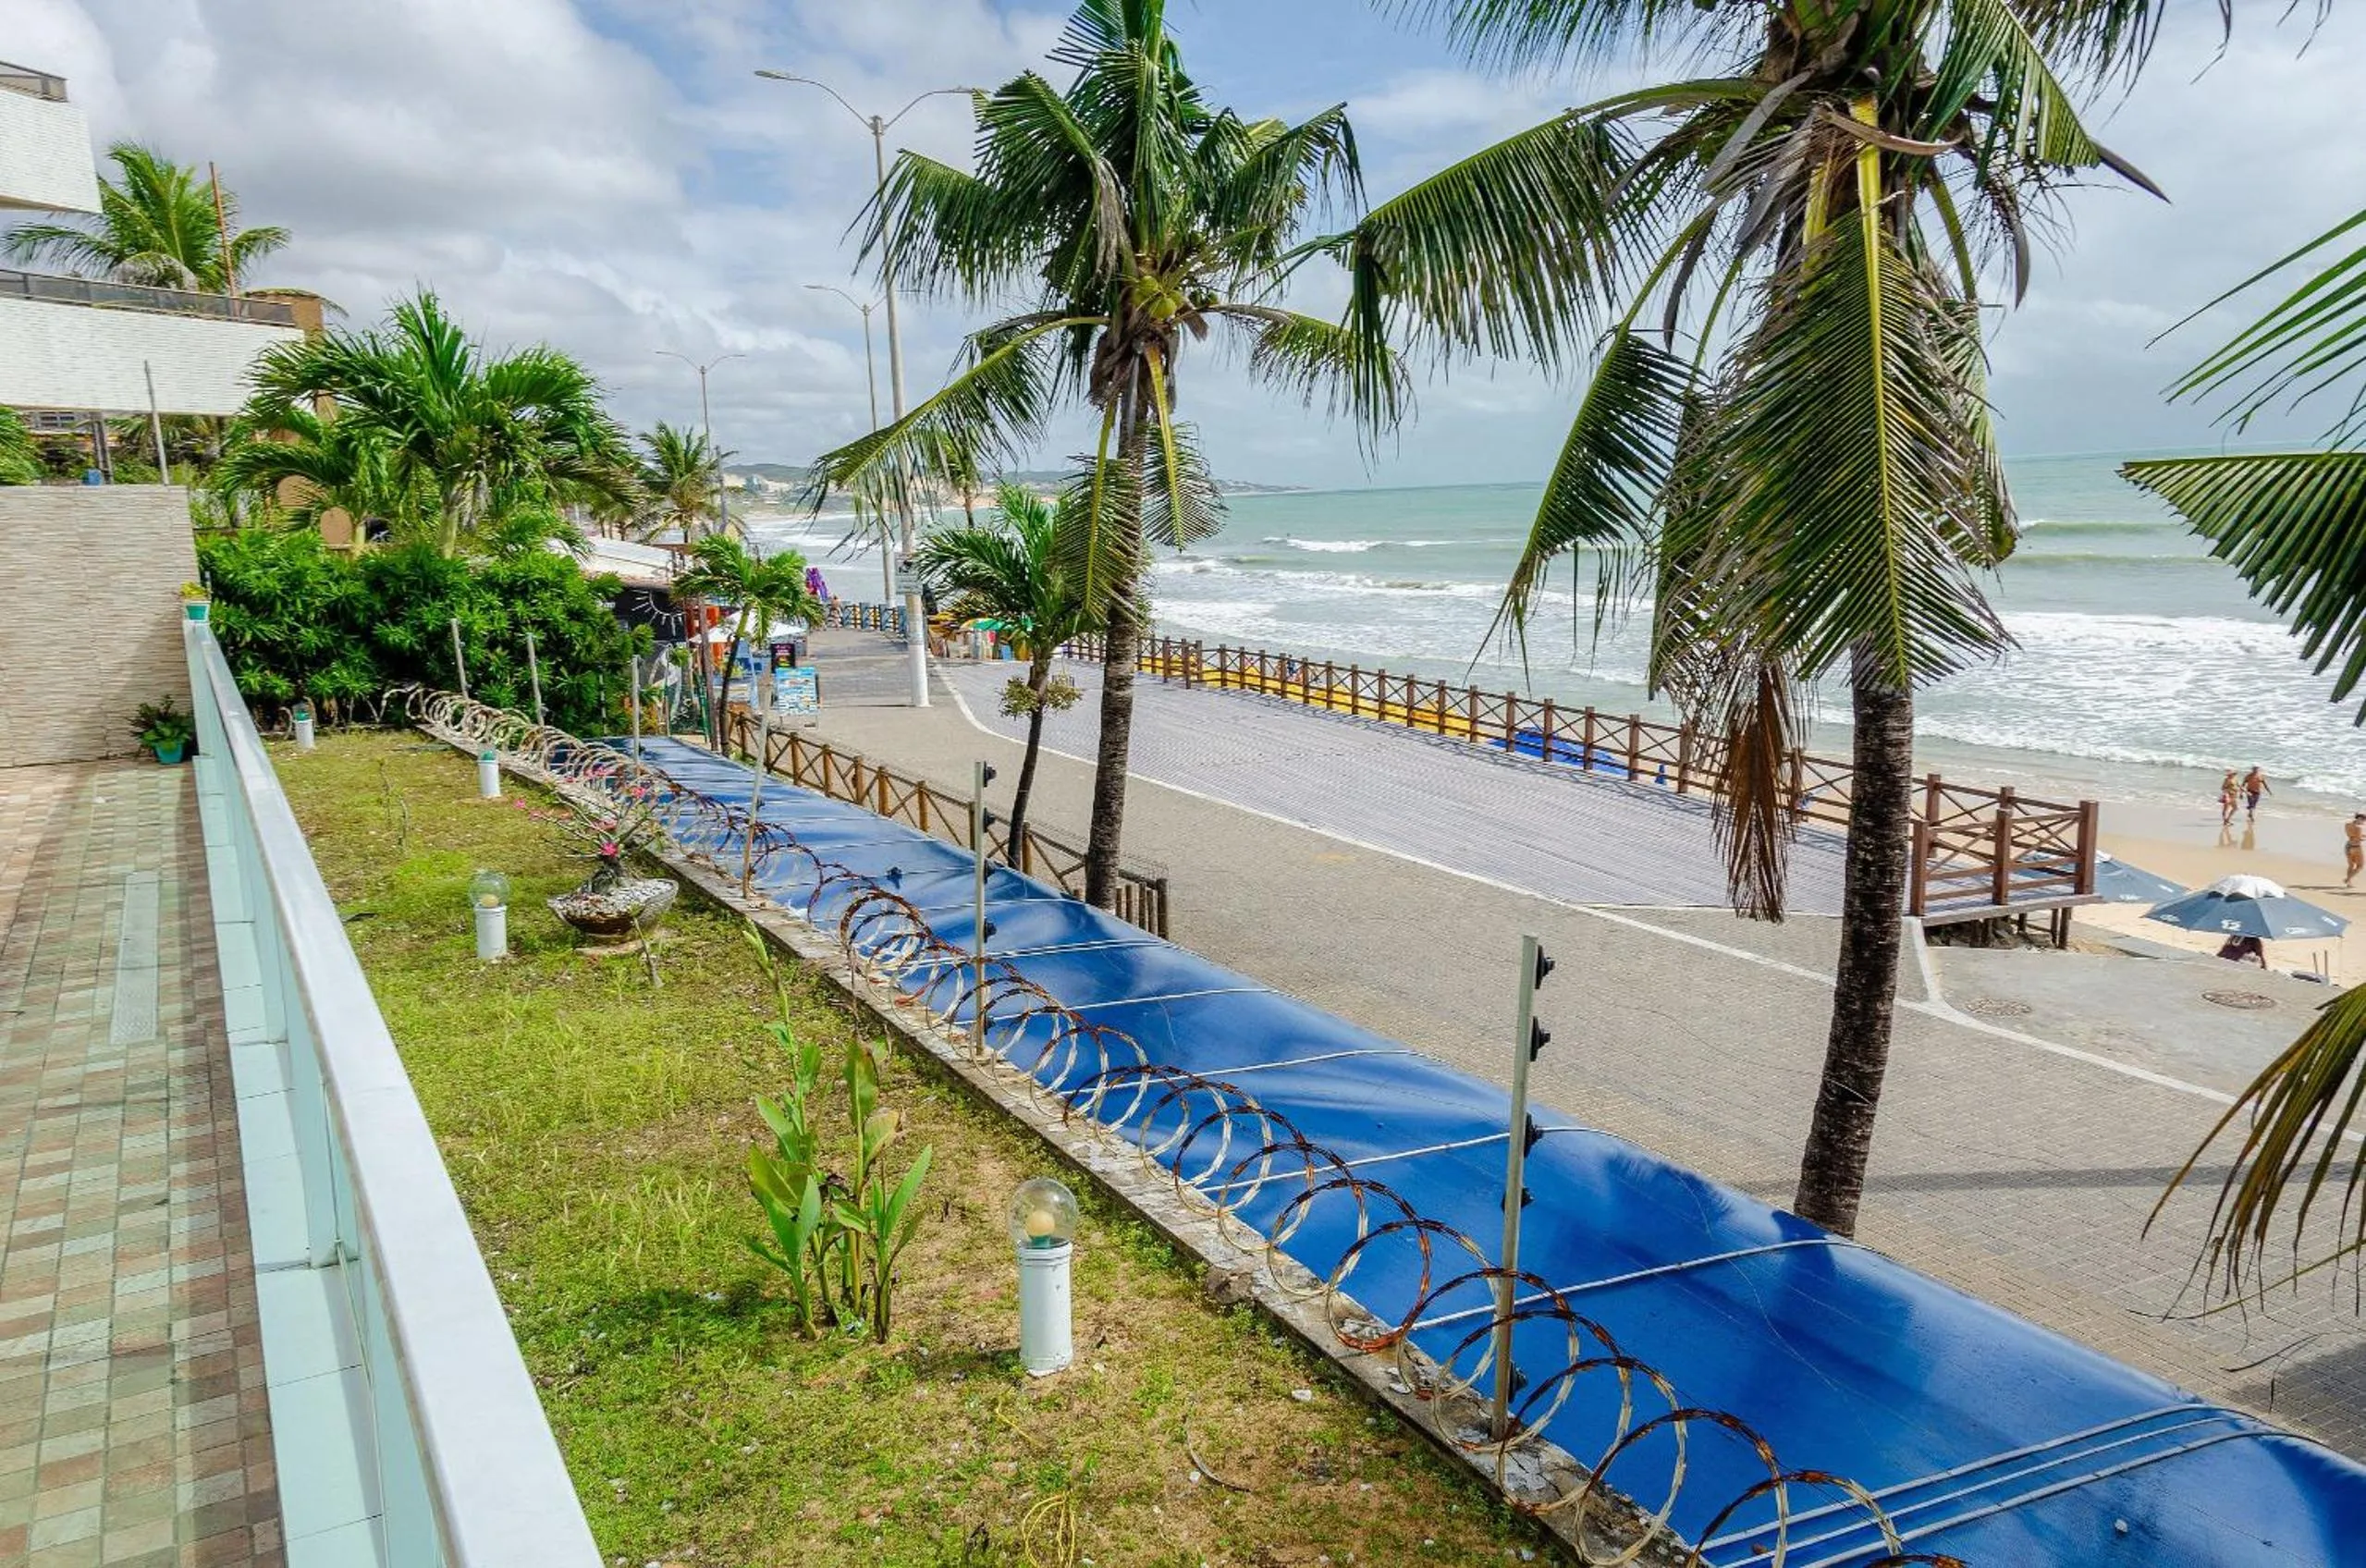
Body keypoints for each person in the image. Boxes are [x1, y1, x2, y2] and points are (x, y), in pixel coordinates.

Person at [2348, 813, 2364, 888]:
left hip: (2348, 846)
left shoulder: (2348, 825)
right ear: (2360, 819)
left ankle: (2349, 883)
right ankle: (2347, 879)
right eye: (2363, 821)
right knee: (2360, 866)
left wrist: (2361, 836)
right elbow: (2358, 838)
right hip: (2357, 847)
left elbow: (2352, 835)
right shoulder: (2359, 828)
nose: (2364, 823)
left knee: (2351, 865)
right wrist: (2363, 838)